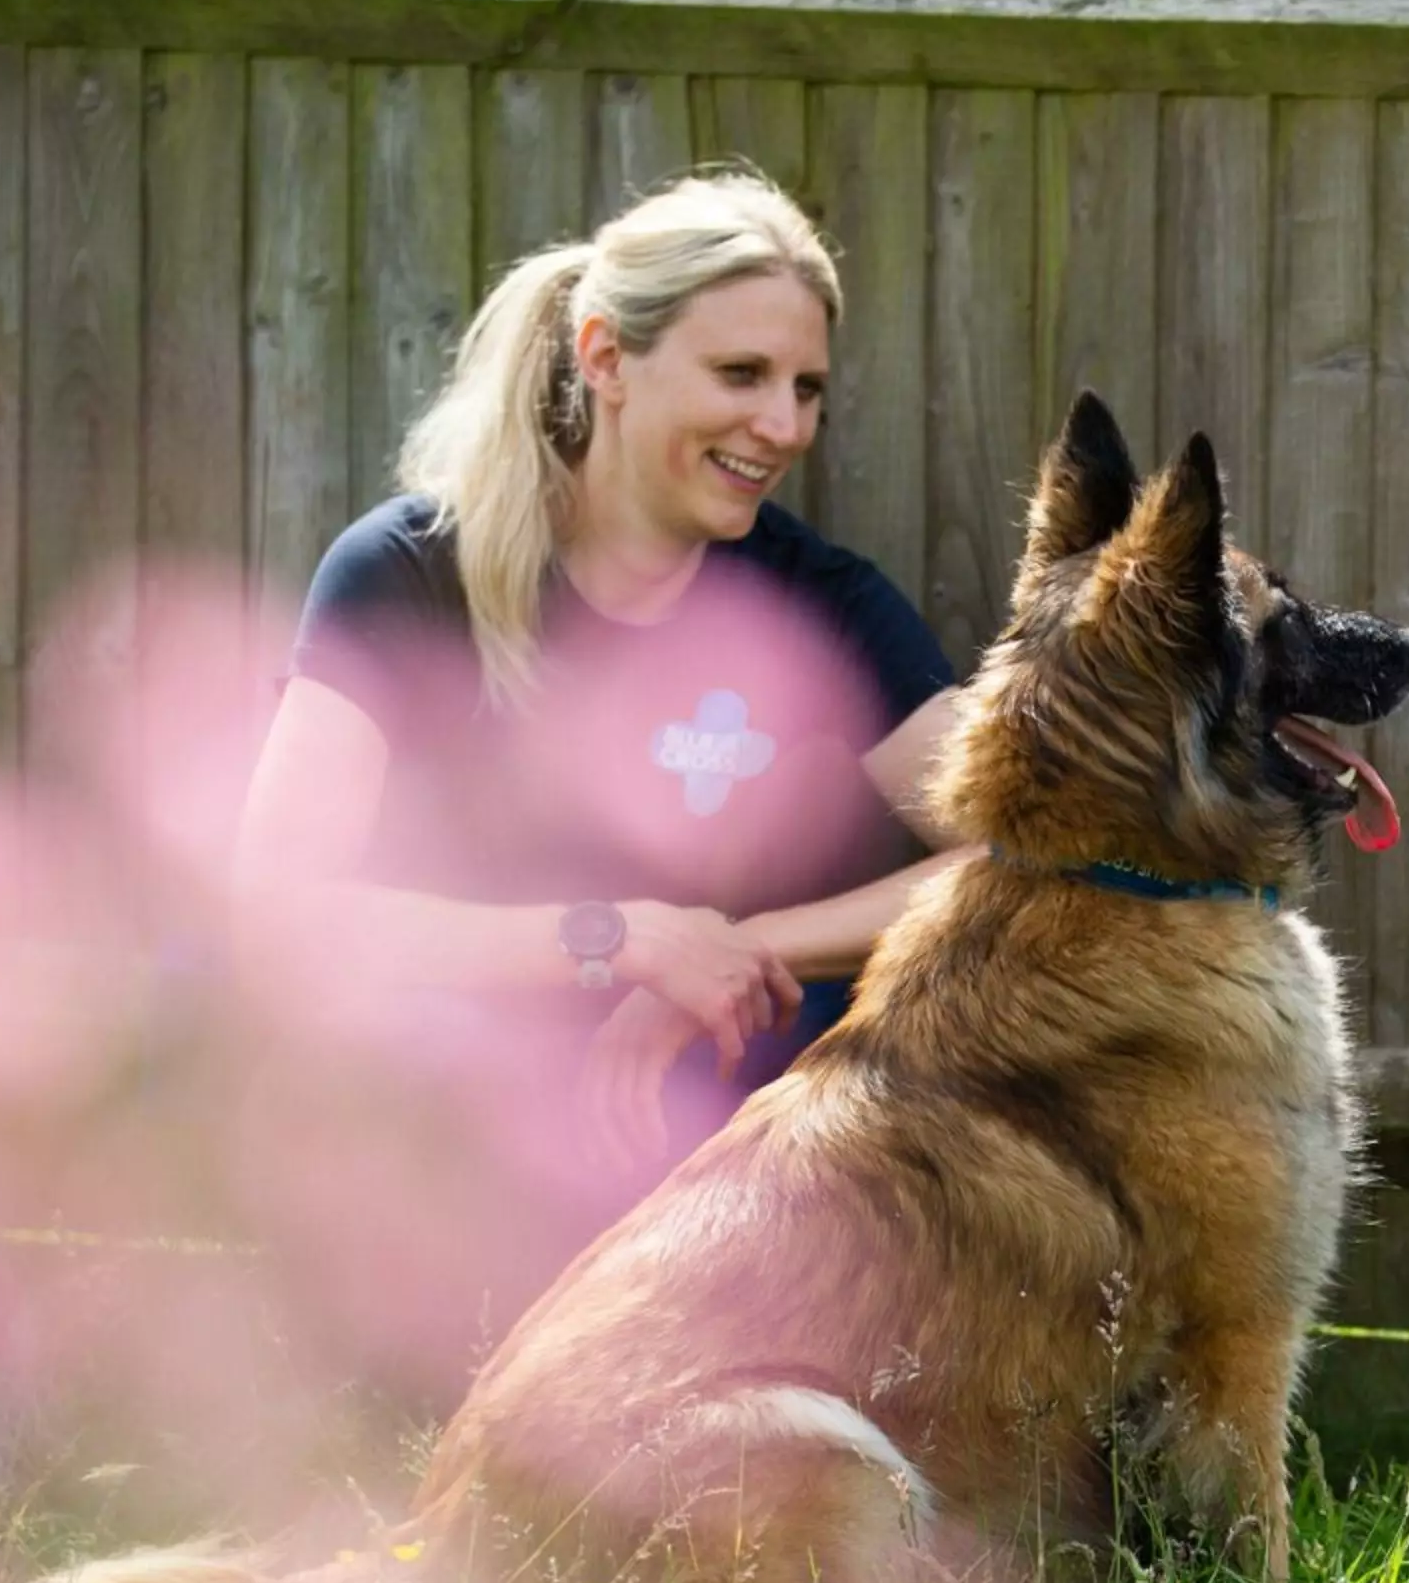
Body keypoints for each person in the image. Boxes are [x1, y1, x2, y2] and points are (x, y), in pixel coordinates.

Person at [229, 169, 968, 1388]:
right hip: (456, 1136)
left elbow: (1021, 850)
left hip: (720, 1157)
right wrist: (617, 940)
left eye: (805, 389)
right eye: (740, 377)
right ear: (605, 358)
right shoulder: (410, 576)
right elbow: (277, 914)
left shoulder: (821, 601)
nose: (783, 426)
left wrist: (737, 945)